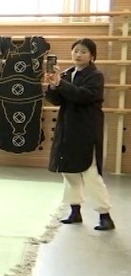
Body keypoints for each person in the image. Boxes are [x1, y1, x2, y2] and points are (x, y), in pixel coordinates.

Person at [46, 38, 115, 231]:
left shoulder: (96, 76)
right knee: (69, 173)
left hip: (86, 129)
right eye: (76, 50)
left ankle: (104, 215)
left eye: (83, 51)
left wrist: (61, 84)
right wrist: (53, 85)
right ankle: (74, 210)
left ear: (92, 56)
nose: (78, 54)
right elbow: (57, 100)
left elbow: (83, 96)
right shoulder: (68, 73)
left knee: (90, 173)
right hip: (67, 128)